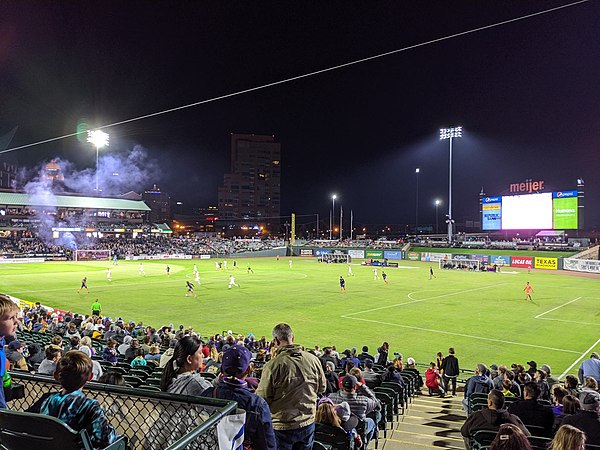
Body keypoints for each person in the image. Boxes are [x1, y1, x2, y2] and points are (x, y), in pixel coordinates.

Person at [26, 350, 120, 448]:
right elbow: (105, 439)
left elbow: (24, 422)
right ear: (90, 377)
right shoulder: (90, 406)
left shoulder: (46, 399)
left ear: (56, 376)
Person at [256, 323, 326, 450]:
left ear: (276, 341)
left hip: (282, 427)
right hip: (307, 422)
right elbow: (322, 388)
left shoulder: (272, 366)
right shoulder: (313, 360)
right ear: (292, 338)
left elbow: (262, 398)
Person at [201, 344, 276, 450]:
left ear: (222, 369)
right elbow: (268, 446)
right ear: (248, 369)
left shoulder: (207, 394)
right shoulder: (257, 404)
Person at [460, 390, 530, 449]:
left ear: (490, 402)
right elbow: (527, 435)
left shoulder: (476, 416)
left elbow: (464, 432)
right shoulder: (513, 419)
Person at [329, 374, 380, 447]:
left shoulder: (331, 398)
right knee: (371, 422)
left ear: (342, 386)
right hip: (356, 429)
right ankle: (364, 446)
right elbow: (376, 402)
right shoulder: (364, 401)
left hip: (337, 429)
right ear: (355, 387)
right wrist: (362, 387)